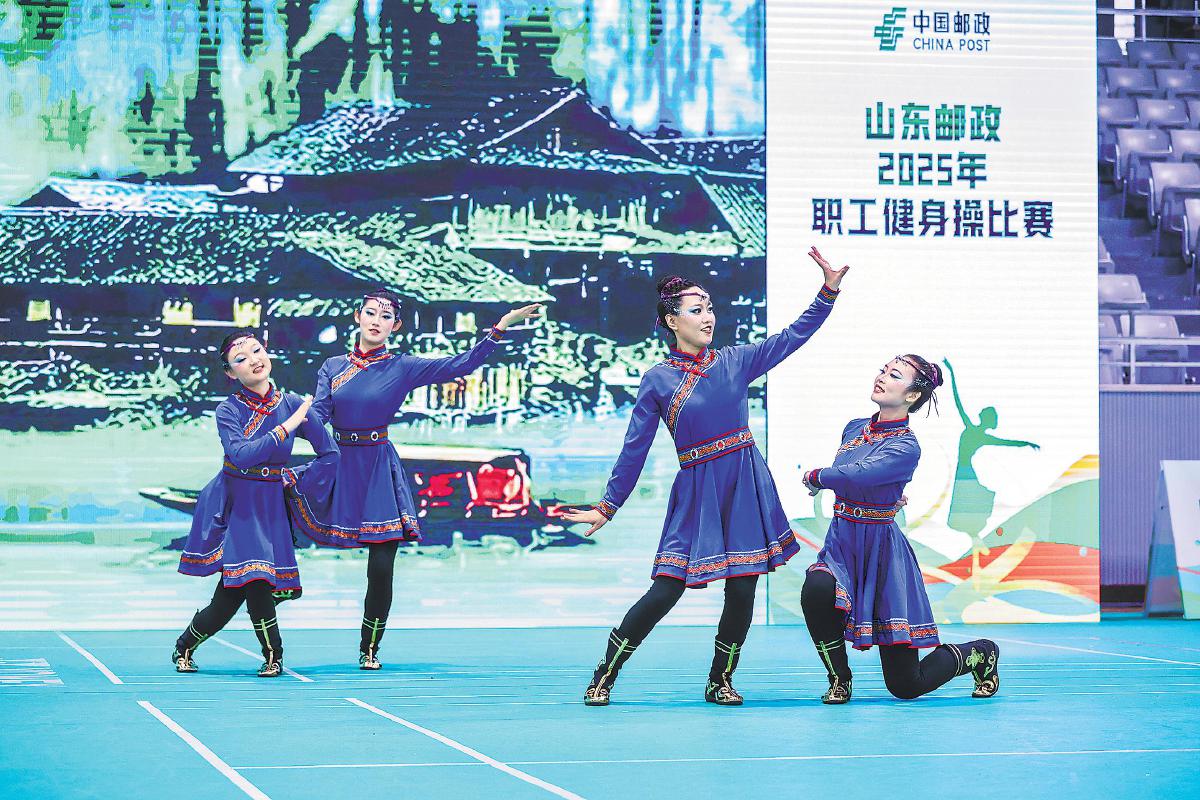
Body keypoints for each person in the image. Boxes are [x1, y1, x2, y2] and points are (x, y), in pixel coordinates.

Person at [564, 247, 847, 706]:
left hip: (745, 484)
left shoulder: (735, 360)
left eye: (710, 308)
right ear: (672, 321)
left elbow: (794, 335)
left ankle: (720, 680)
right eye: (696, 310)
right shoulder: (657, 379)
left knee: (743, 589)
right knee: (666, 588)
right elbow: (634, 449)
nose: (708, 317)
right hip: (698, 491)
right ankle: (605, 673)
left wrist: (827, 292)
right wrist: (607, 507)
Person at [286, 289, 543, 669]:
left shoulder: (403, 366)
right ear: (358, 316)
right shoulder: (333, 367)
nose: (376, 321)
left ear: (396, 325)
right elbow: (319, 416)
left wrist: (502, 326)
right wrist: (282, 430)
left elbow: (462, 365)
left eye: (385, 316)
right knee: (279, 512)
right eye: (370, 313)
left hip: (377, 468)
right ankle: (274, 591)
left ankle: (369, 648)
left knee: (381, 566)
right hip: (339, 463)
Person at [799, 355, 1000, 704]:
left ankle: (980, 653)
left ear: (911, 395)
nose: (881, 377)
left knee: (906, 685)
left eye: (894, 375)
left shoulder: (906, 446)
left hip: (881, 554)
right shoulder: (854, 428)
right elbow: (859, 475)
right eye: (883, 370)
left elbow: (860, 474)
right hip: (843, 544)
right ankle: (839, 678)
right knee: (816, 588)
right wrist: (886, 496)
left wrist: (818, 476)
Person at [173, 331, 339, 677]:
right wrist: (288, 427)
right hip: (237, 501)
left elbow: (330, 455)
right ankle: (273, 655)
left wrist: (293, 478)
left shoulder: (293, 403)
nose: (253, 360)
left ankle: (185, 644)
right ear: (231, 373)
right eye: (241, 359)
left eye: (257, 350)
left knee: (230, 597)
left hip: (270, 502)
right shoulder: (228, 410)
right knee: (258, 580)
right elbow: (241, 455)